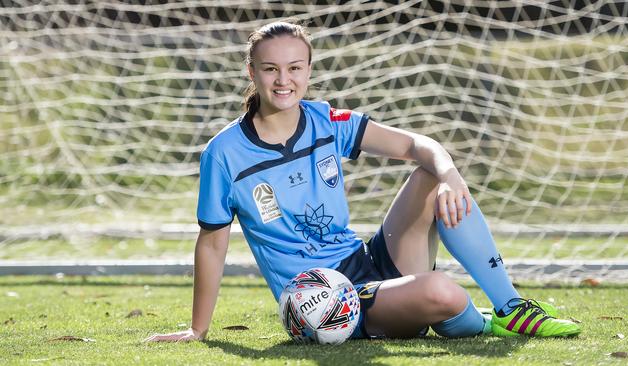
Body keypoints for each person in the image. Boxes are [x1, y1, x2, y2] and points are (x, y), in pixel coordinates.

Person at [144, 21, 580, 342]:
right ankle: (479, 322)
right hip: (325, 301)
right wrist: (198, 330)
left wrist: (450, 175)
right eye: (271, 69)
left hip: (367, 264)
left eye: (295, 68)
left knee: (431, 175)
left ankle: (510, 307)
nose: (284, 80)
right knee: (442, 292)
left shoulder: (326, 120)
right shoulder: (224, 153)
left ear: (309, 70)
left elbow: (417, 144)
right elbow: (213, 242)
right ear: (251, 72)